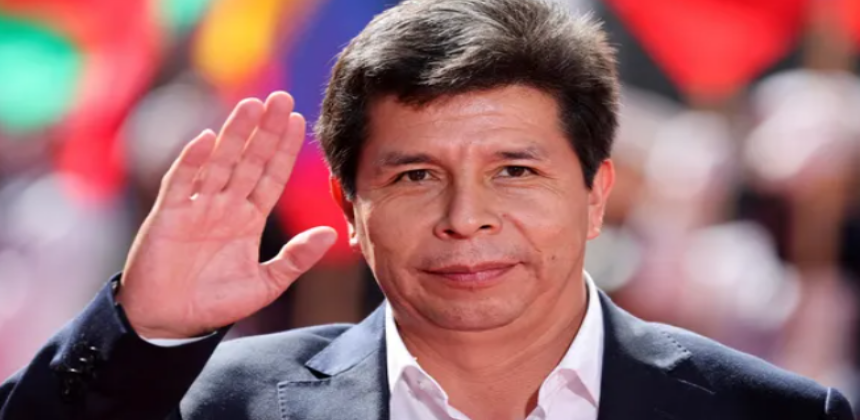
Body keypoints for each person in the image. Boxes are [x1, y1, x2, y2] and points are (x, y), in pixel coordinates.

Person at [0, 0, 854, 418]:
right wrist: (143, 331)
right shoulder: (222, 403)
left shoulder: (771, 414)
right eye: (414, 176)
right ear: (349, 204)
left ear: (596, 194)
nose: (465, 216)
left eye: (515, 171)